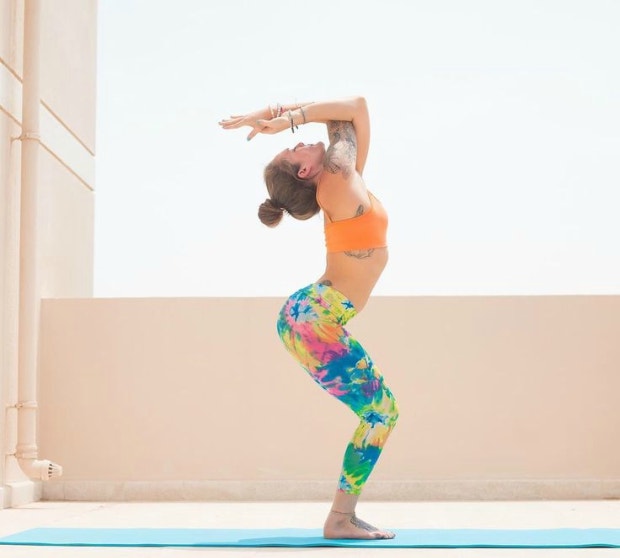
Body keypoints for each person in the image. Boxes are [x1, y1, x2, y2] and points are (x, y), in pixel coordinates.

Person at [219, 97, 399, 540]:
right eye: (292, 149)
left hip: (310, 316)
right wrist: (286, 120)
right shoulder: (335, 178)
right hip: (313, 318)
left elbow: (352, 114)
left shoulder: (344, 180)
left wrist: (274, 115)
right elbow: (351, 108)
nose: (299, 143)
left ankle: (342, 517)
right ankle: (340, 519)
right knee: (380, 412)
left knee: (380, 412)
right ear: (304, 170)